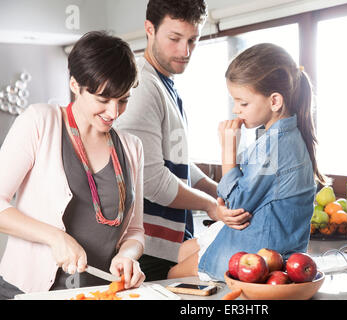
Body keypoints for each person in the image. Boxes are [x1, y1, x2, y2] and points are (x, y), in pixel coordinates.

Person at [0, 31, 145, 299]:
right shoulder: (40, 122)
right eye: (103, 100)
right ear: (75, 85)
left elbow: (135, 232)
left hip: (97, 292)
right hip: (25, 291)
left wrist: (127, 256)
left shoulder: (132, 147)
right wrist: (55, 237)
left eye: (123, 100)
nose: (114, 113)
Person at [114, 0, 251, 281]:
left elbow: (177, 160)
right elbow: (150, 179)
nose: (185, 51)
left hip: (167, 245)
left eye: (193, 40)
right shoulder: (142, 88)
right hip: (147, 248)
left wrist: (218, 191)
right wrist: (211, 205)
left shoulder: (164, 83)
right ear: (149, 29)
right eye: (175, 38)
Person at [167, 43, 327, 281]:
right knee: (181, 252)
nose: (235, 110)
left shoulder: (274, 145)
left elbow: (237, 205)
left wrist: (228, 151)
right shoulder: (276, 136)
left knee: (173, 274)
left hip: (260, 251)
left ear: (274, 102)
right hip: (266, 240)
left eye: (243, 103)